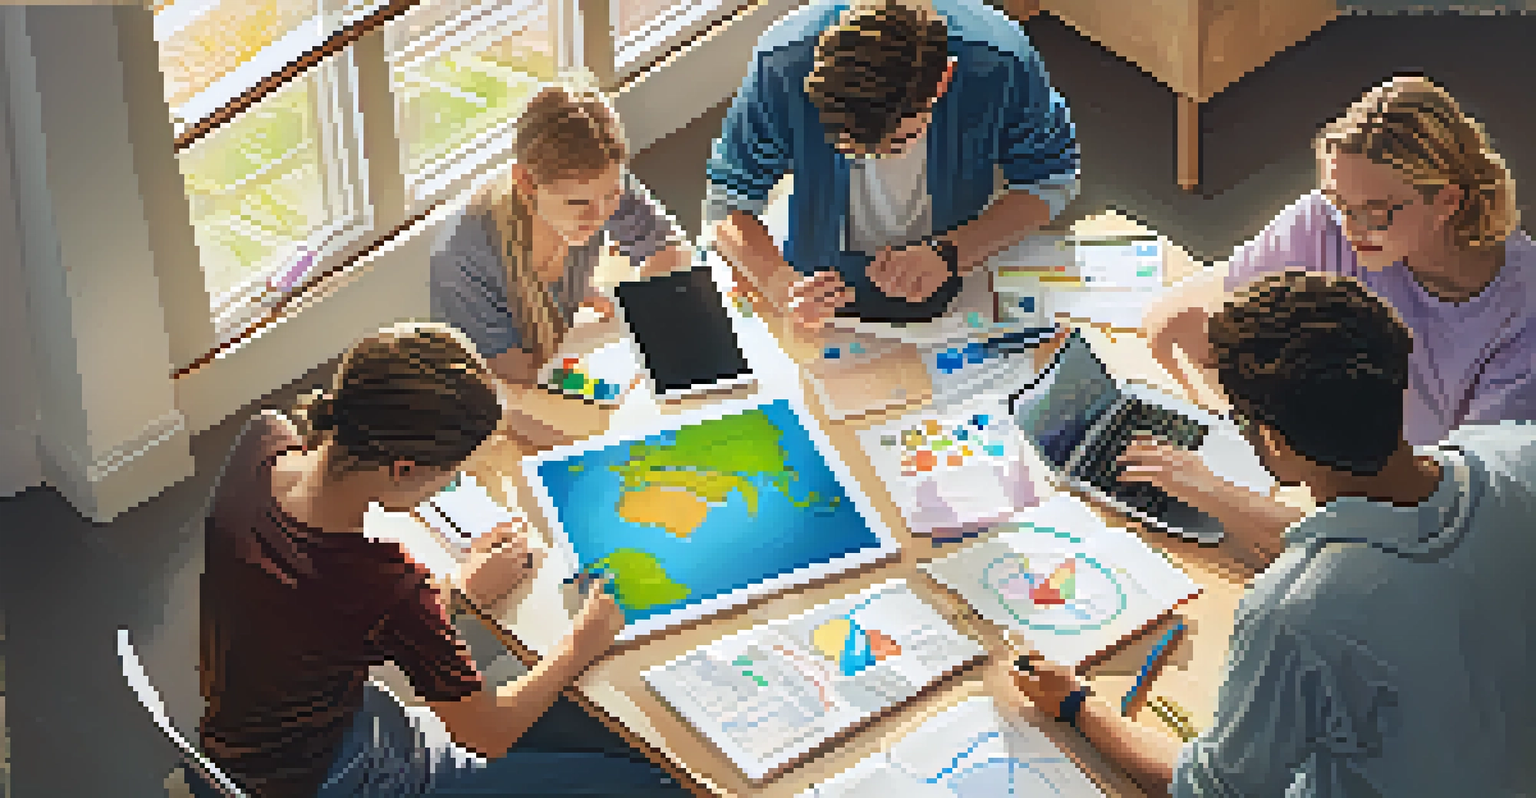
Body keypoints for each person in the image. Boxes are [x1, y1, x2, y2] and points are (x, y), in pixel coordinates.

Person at [999, 272, 1536, 797]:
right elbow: (1394, 543)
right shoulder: (1516, 455)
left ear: (1273, 440)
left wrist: (1076, 704)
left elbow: (1213, 790)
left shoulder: (1296, 613)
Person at [196, 323, 676, 798]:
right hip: (335, 779)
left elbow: (322, 615)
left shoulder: (264, 439)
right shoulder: (388, 586)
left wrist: (455, 592)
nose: (449, 482)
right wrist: (583, 640)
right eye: (451, 474)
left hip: (248, 742)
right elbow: (490, 734)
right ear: (404, 469)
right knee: (655, 780)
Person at [706, 0, 1079, 328]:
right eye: (846, 146)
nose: (874, 162)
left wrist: (952, 252)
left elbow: (1050, 179)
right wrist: (780, 285)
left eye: (899, 142)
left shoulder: (1002, 61)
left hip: (960, 294)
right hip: (818, 302)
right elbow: (727, 202)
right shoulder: (781, 63)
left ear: (944, 81)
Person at [431, 84, 690, 389]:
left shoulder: (597, 184)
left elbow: (673, 255)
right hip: (503, 397)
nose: (600, 215)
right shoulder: (463, 260)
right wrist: (622, 329)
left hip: (563, 359)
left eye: (612, 195)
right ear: (525, 182)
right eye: (577, 203)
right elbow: (517, 380)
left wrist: (633, 310)